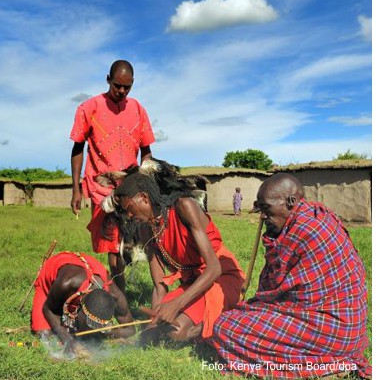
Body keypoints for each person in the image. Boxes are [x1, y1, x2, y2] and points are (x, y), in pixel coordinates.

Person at [208, 173, 371, 379]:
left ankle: (332, 365)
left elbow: (275, 293)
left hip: (333, 328)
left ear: (290, 201)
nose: (262, 216)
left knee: (226, 326)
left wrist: (252, 308)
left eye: (266, 208)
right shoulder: (314, 216)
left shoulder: (304, 230)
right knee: (239, 317)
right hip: (346, 327)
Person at [104, 159, 245, 344]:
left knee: (177, 332)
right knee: (159, 331)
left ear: (144, 198)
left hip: (221, 277)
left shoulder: (184, 207)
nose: (129, 215)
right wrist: (153, 323)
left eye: (129, 208)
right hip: (194, 283)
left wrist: (176, 305)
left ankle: (224, 319)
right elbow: (159, 285)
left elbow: (214, 269)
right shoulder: (146, 229)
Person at [69, 60, 156, 294]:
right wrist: (76, 189)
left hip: (131, 189)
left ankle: (117, 284)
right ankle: (121, 298)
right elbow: (78, 149)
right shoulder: (89, 108)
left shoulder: (138, 109)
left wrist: (148, 179)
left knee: (135, 242)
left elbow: (146, 150)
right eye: (117, 85)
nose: (121, 91)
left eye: (127, 87)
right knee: (113, 244)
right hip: (102, 189)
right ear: (108, 79)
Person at [31, 251, 135, 357]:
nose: (91, 330)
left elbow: (130, 329)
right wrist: (67, 339)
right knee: (44, 334)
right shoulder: (67, 283)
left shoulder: (116, 297)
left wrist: (107, 332)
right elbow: (48, 309)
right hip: (54, 271)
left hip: (89, 266)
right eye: (89, 324)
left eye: (98, 325)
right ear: (80, 307)